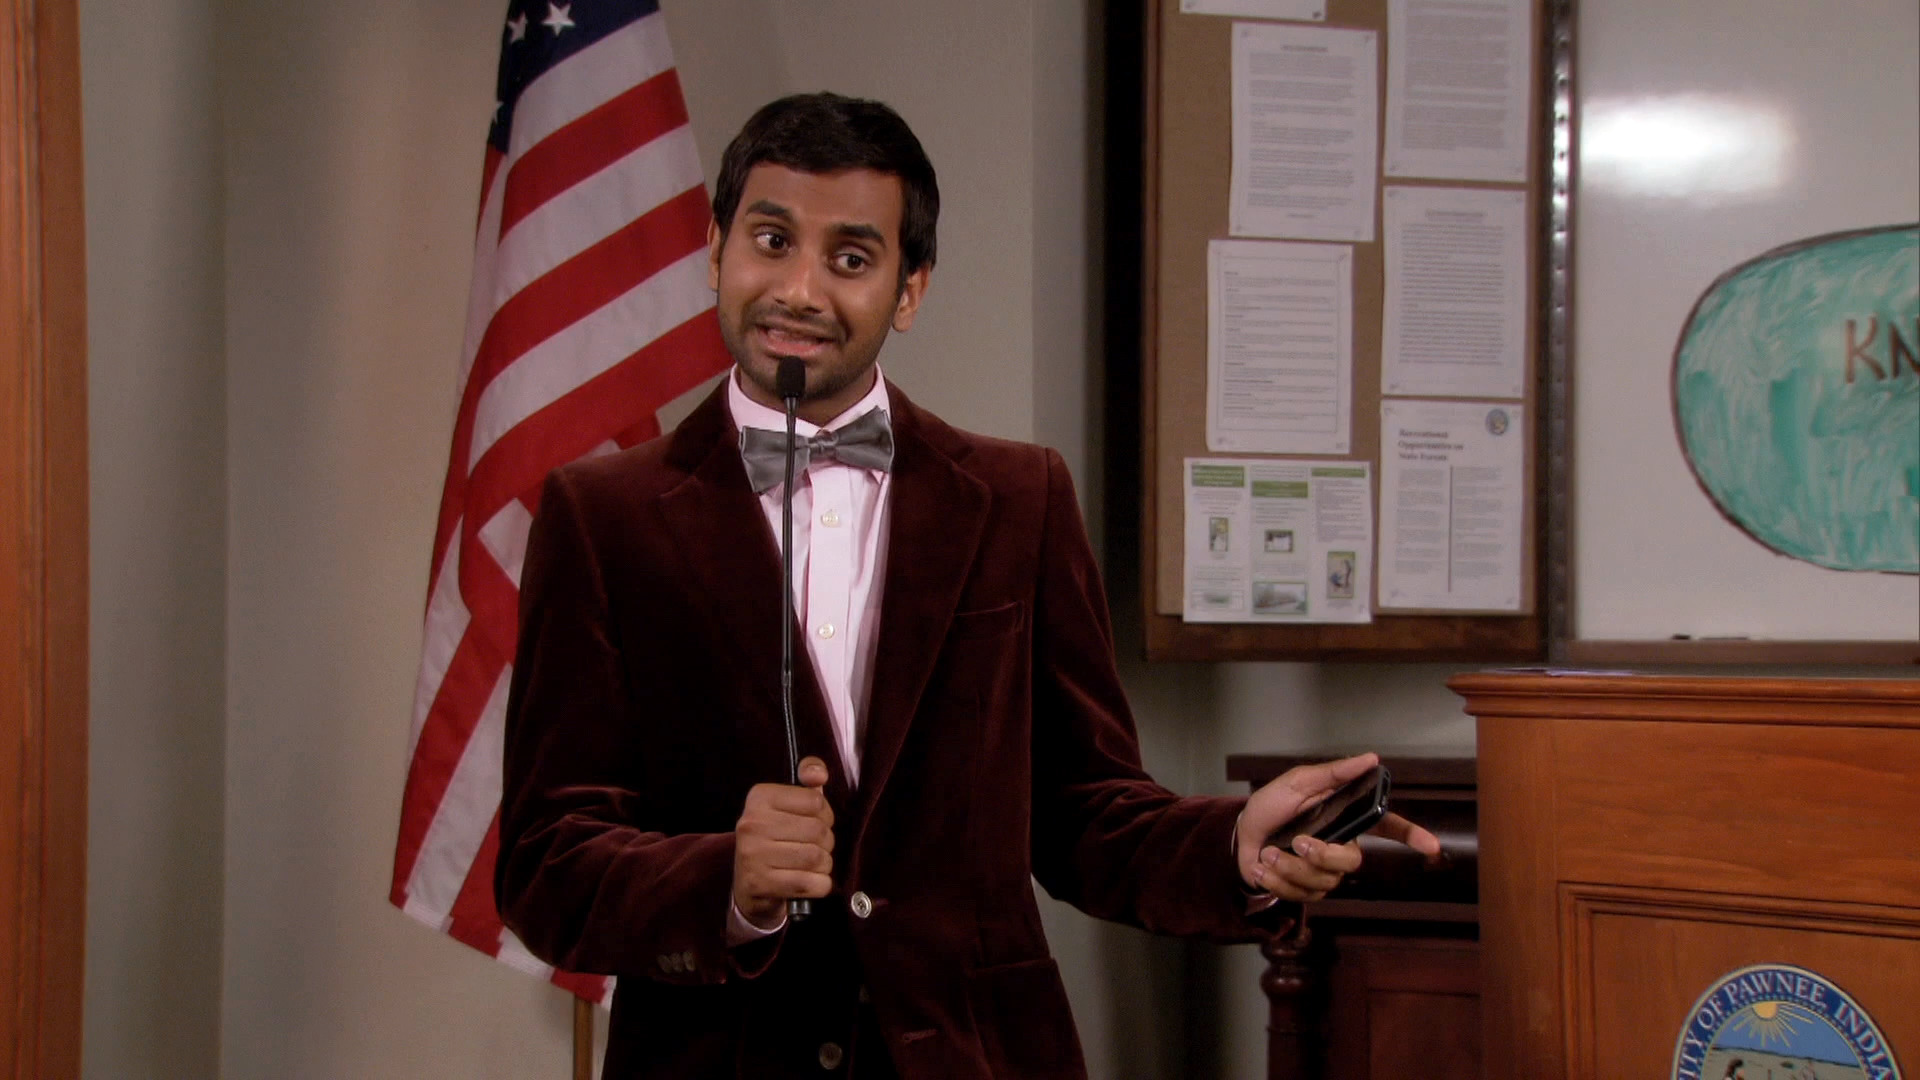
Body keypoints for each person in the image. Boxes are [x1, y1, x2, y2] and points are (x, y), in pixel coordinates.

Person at [495, 92, 1439, 1080]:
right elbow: (545, 864)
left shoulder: (1020, 498)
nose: (799, 289)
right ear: (715, 249)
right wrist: (724, 880)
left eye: (850, 259)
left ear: (909, 290)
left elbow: (1087, 812)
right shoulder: (599, 517)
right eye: (771, 241)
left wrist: (1234, 844)